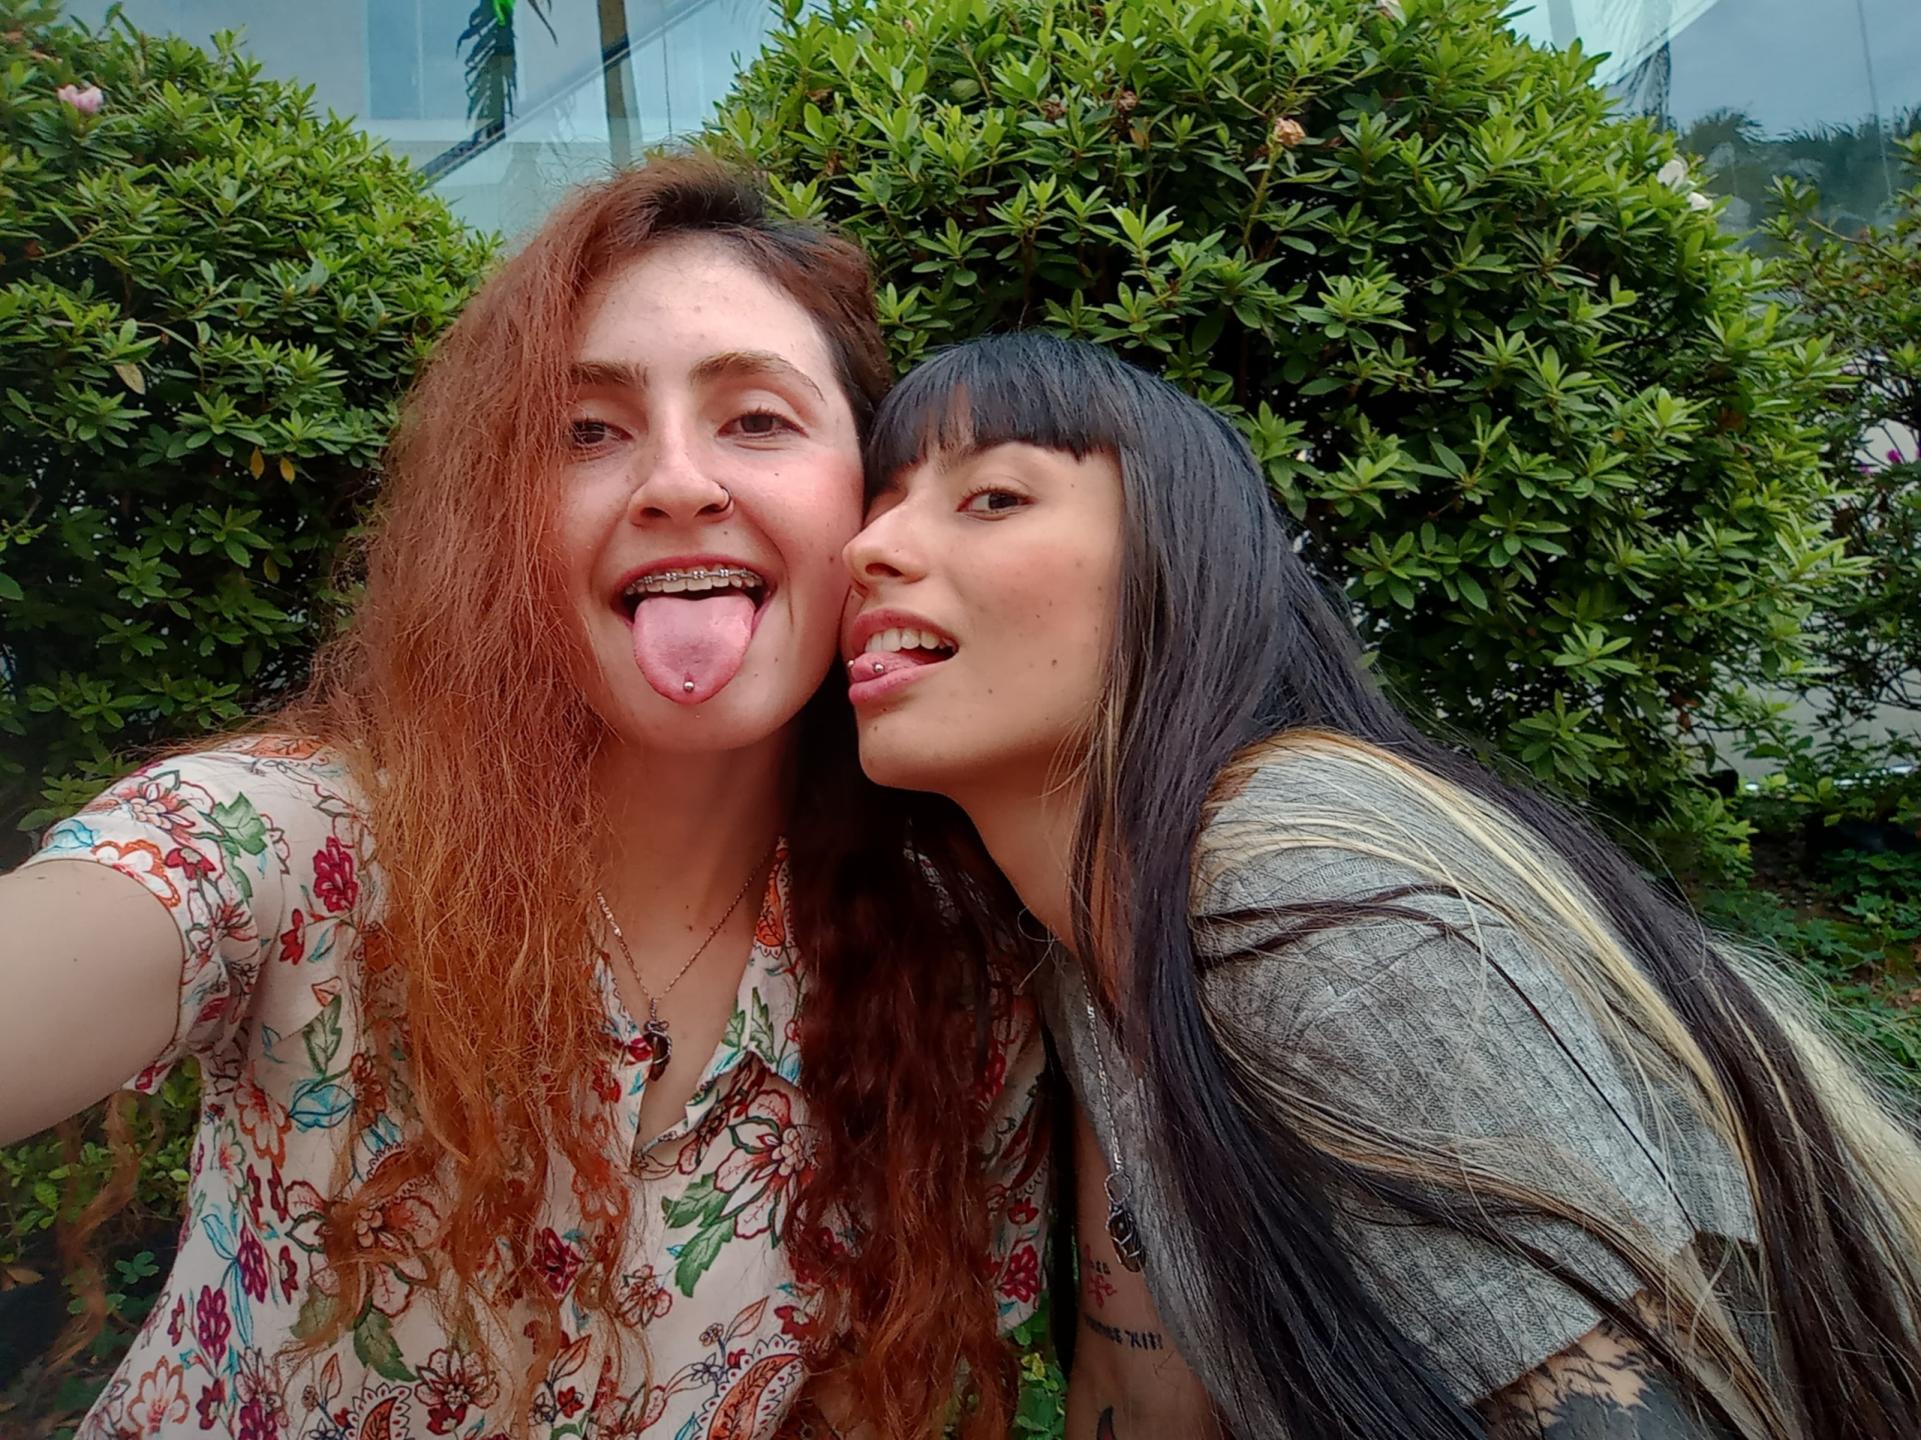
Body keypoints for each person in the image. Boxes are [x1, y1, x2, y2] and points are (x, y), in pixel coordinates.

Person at [0, 160, 1047, 1440]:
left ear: (869, 511)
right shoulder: (299, 847)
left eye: (758, 420)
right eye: (585, 432)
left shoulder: (957, 973)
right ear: (502, 520)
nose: (678, 482)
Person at [840, 332, 1921, 1440]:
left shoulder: (1300, 903)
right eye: (876, 506)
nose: (868, 548)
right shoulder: (1091, 938)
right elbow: (1139, 1378)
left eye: (995, 498)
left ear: (1180, 564)